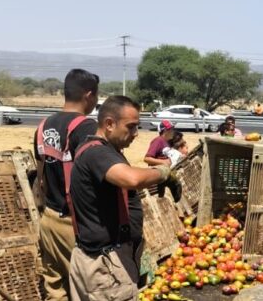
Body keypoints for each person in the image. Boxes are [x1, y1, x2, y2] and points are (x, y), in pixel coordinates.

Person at [68, 96, 181, 300]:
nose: (136, 134)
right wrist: (164, 172)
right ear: (110, 124)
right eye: (131, 127)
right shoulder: (98, 154)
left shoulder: (99, 150)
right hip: (106, 266)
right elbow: (132, 179)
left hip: (98, 259)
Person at [33, 68, 99, 301]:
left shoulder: (42, 127)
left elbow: (41, 174)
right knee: (87, 288)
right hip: (75, 225)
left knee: (55, 287)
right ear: (89, 95)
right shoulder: (87, 128)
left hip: (48, 220)